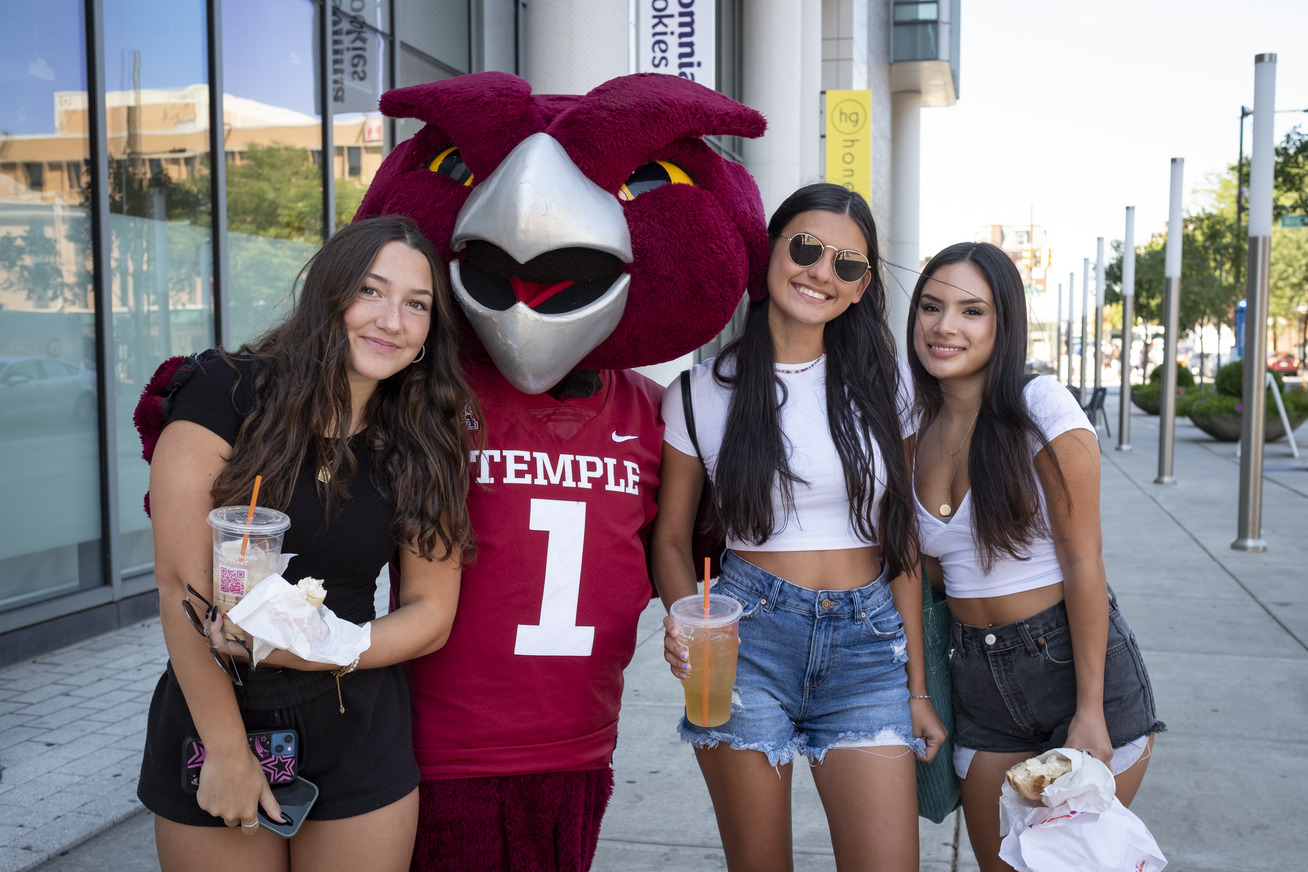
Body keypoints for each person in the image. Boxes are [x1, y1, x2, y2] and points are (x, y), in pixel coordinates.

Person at [134, 216, 477, 872]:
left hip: (355, 717)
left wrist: (327, 650)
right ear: (329, 293)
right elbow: (183, 587)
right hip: (218, 708)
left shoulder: (426, 437)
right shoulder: (223, 389)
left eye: (417, 305)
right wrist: (229, 753)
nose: (391, 321)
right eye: (370, 292)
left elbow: (432, 616)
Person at [651, 182, 946, 872]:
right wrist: (683, 617)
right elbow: (669, 538)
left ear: (861, 287)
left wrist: (919, 691)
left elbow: (900, 544)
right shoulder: (697, 393)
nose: (822, 272)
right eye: (808, 249)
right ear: (770, 251)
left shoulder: (890, 387)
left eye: (848, 265)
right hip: (746, 643)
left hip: (868, 648)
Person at [906, 241, 1166, 872]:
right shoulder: (909, 423)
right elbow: (920, 572)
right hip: (976, 683)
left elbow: (1084, 563)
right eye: (931, 307)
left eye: (972, 311)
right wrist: (918, 689)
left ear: (1005, 324)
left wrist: (1088, 711)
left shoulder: (1040, 407)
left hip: (1068, 668)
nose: (945, 326)